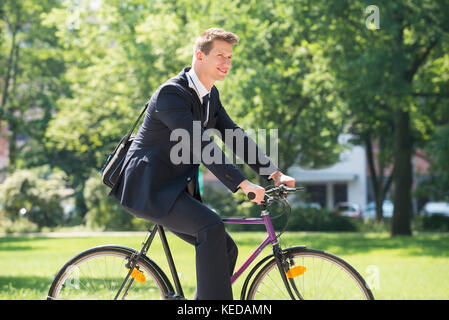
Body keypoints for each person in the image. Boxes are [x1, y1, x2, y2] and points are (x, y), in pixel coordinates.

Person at [110, 28, 295, 300]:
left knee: (226, 249)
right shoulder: (171, 95)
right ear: (200, 56)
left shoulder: (210, 96)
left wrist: (274, 173)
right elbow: (200, 144)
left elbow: (234, 136)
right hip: (148, 188)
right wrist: (243, 184)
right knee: (210, 227)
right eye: (220, 55)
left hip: (173, 189)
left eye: (230, 57)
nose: (227, 63)